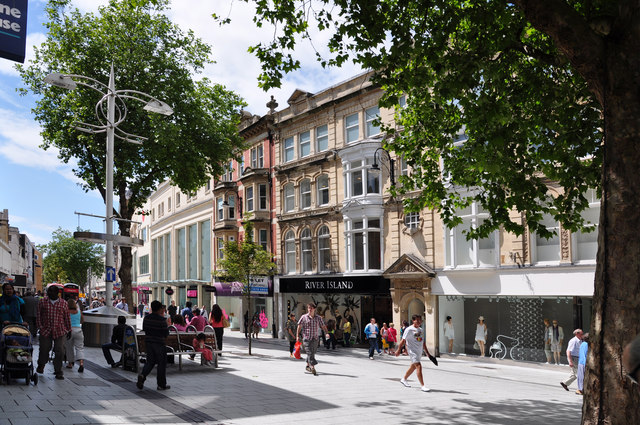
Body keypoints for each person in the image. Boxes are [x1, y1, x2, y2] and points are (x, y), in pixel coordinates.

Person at [36, 285, 71, 380]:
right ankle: (41, 364)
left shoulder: (63, 303)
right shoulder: (42, 302)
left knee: (60, 350)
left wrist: (69, 329)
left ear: (57, 293)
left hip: (60, 330)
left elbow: (67, 317)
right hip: (46, 330)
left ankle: (58, 370)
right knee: (44, 349)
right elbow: (38, 315)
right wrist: (40, 327)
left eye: (51, 291)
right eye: (48, 291)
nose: (49, 293)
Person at [396, 314, 435, 392]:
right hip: (412, 351)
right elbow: (403, 340)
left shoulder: (420, 329)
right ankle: (423, 386)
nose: (419, 322)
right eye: (417, 320)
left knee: (413, 367)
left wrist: (427, 352)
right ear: (413, 320)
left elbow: (422, 342)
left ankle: (403, 379)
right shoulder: (409, 329)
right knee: (418, 366)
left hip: (419, 351)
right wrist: (398, 350)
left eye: (420, 320)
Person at [137, 300, 170, 391]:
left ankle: (143, 375)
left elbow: (144, 329)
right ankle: (161, 384)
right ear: (159, 309)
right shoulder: (162, 320)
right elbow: (166, 333)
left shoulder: (146, 318)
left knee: (150, 362)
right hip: (159, 343)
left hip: (149, 342)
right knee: (161, 363)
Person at [296, 302, 330, 375]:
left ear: (314, 309)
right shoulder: (304, 317)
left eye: (311, 308)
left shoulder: (318, 318)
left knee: (312, 353)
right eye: (308, 308)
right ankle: (313, 367)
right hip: (306, 338)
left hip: (315, 338)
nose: (309, 310)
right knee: (309, 352)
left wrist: (327, 333)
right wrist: (297, 336)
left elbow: (323, 326)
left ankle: (307, 365)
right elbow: (299, 326)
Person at [65, 298, 85, 373]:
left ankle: (70, 363)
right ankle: (81, 363)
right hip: (78, 330)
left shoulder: (66, 312)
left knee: (69, 348)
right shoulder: (79, 311)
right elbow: (82, 321)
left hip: (69, 331)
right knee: (80, 348)